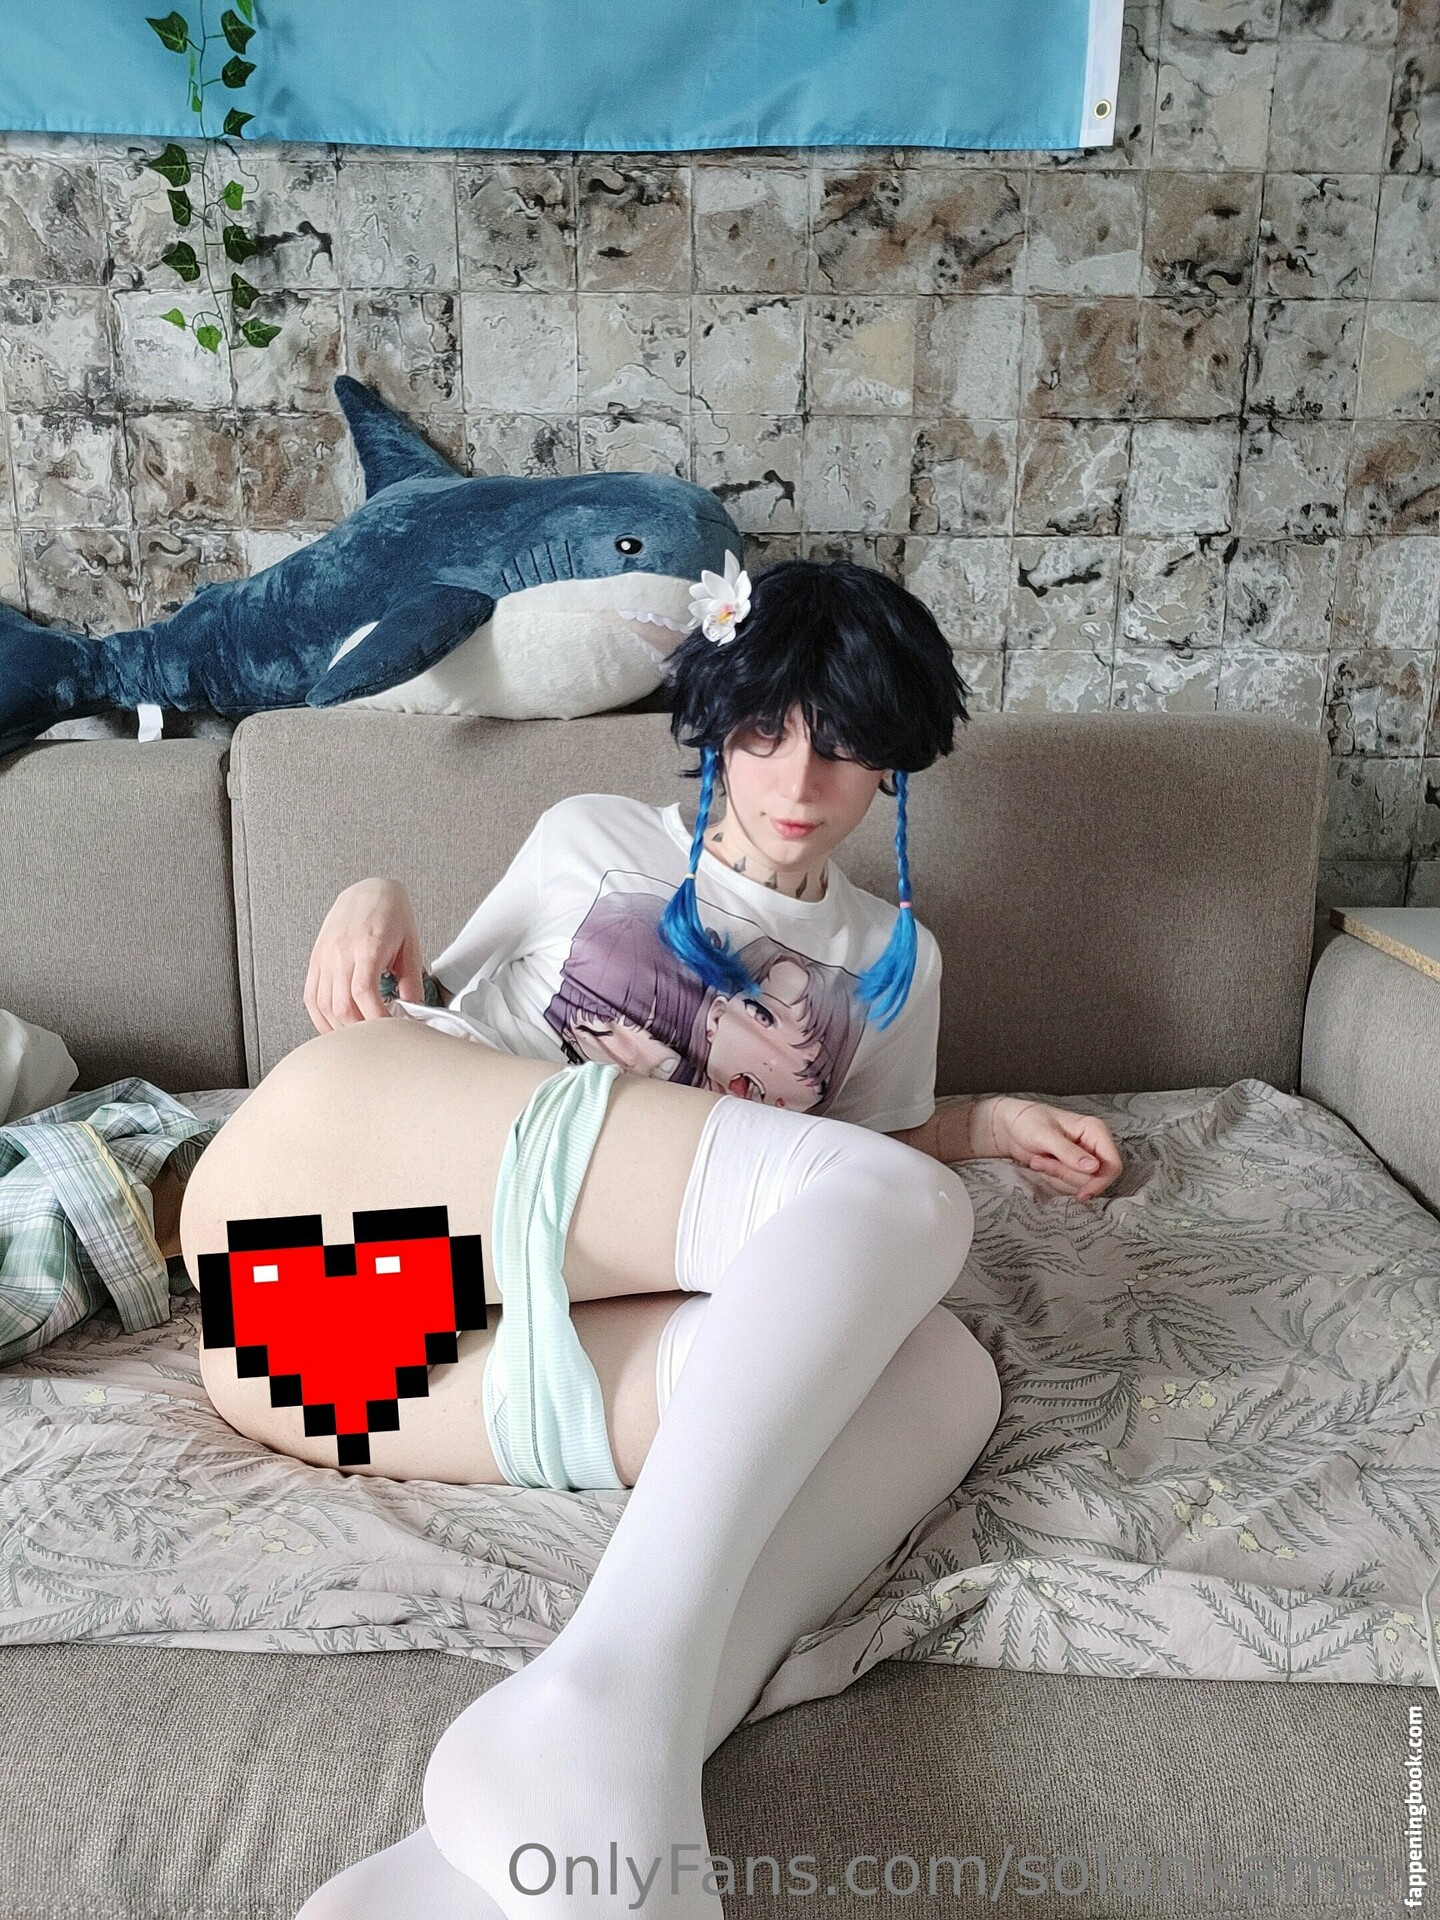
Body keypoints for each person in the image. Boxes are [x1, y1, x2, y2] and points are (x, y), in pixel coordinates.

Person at [178, 556, 1123, 1920]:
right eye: (765, 731)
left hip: (351, 1366)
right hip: (311, 1218)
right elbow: (418, 1021)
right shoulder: (591, 841)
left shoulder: (892, 962)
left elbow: (841, 1194)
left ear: (893, 761)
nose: (797, 779)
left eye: (842, 744)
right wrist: (369, 891)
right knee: (912, 1213)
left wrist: (979, 1124)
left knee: (943, 1375)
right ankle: (596, 1720)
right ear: (718, 724)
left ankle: (575, 1794)